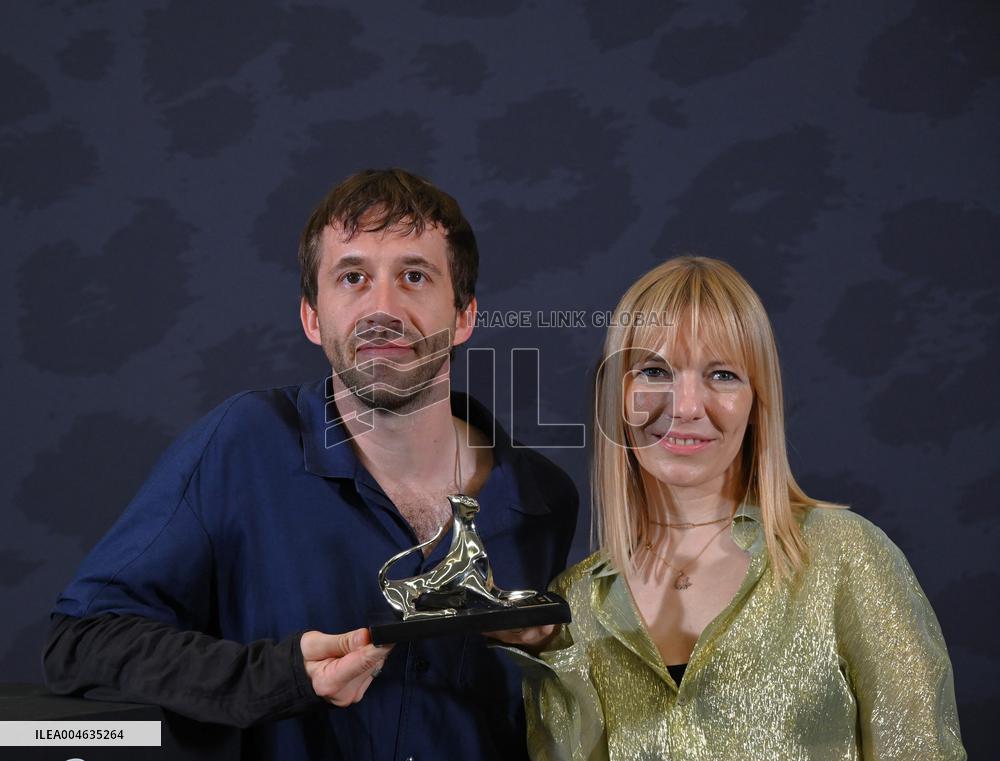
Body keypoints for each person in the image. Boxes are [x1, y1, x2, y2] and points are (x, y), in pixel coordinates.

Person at [43, 169, 578, 761]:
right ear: (312, 318)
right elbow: (81, 641)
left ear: (465, 315)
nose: (383, 308)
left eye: (415, 276)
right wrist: (278, 676)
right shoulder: (242, 447)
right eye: (353, 277)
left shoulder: (541, 497)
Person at [502, 257, 964, 760]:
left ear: (756, 401)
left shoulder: (843, 555)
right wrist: (550, 660)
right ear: (618, 394)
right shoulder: (575, 603)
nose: (686, 406)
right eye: (655, 370)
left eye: (722, 374)